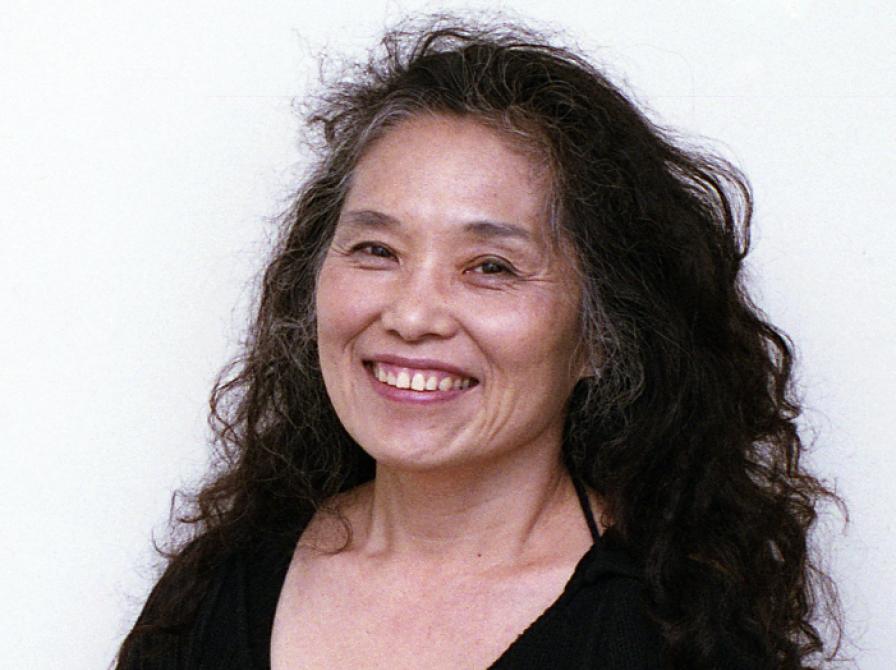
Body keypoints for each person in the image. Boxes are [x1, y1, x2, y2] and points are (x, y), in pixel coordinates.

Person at [117, 16, 842, 670]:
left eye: (490, 267)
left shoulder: (673, 634)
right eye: (376, 250)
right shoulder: (221, 587)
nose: (412, 314)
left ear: (604, 335)